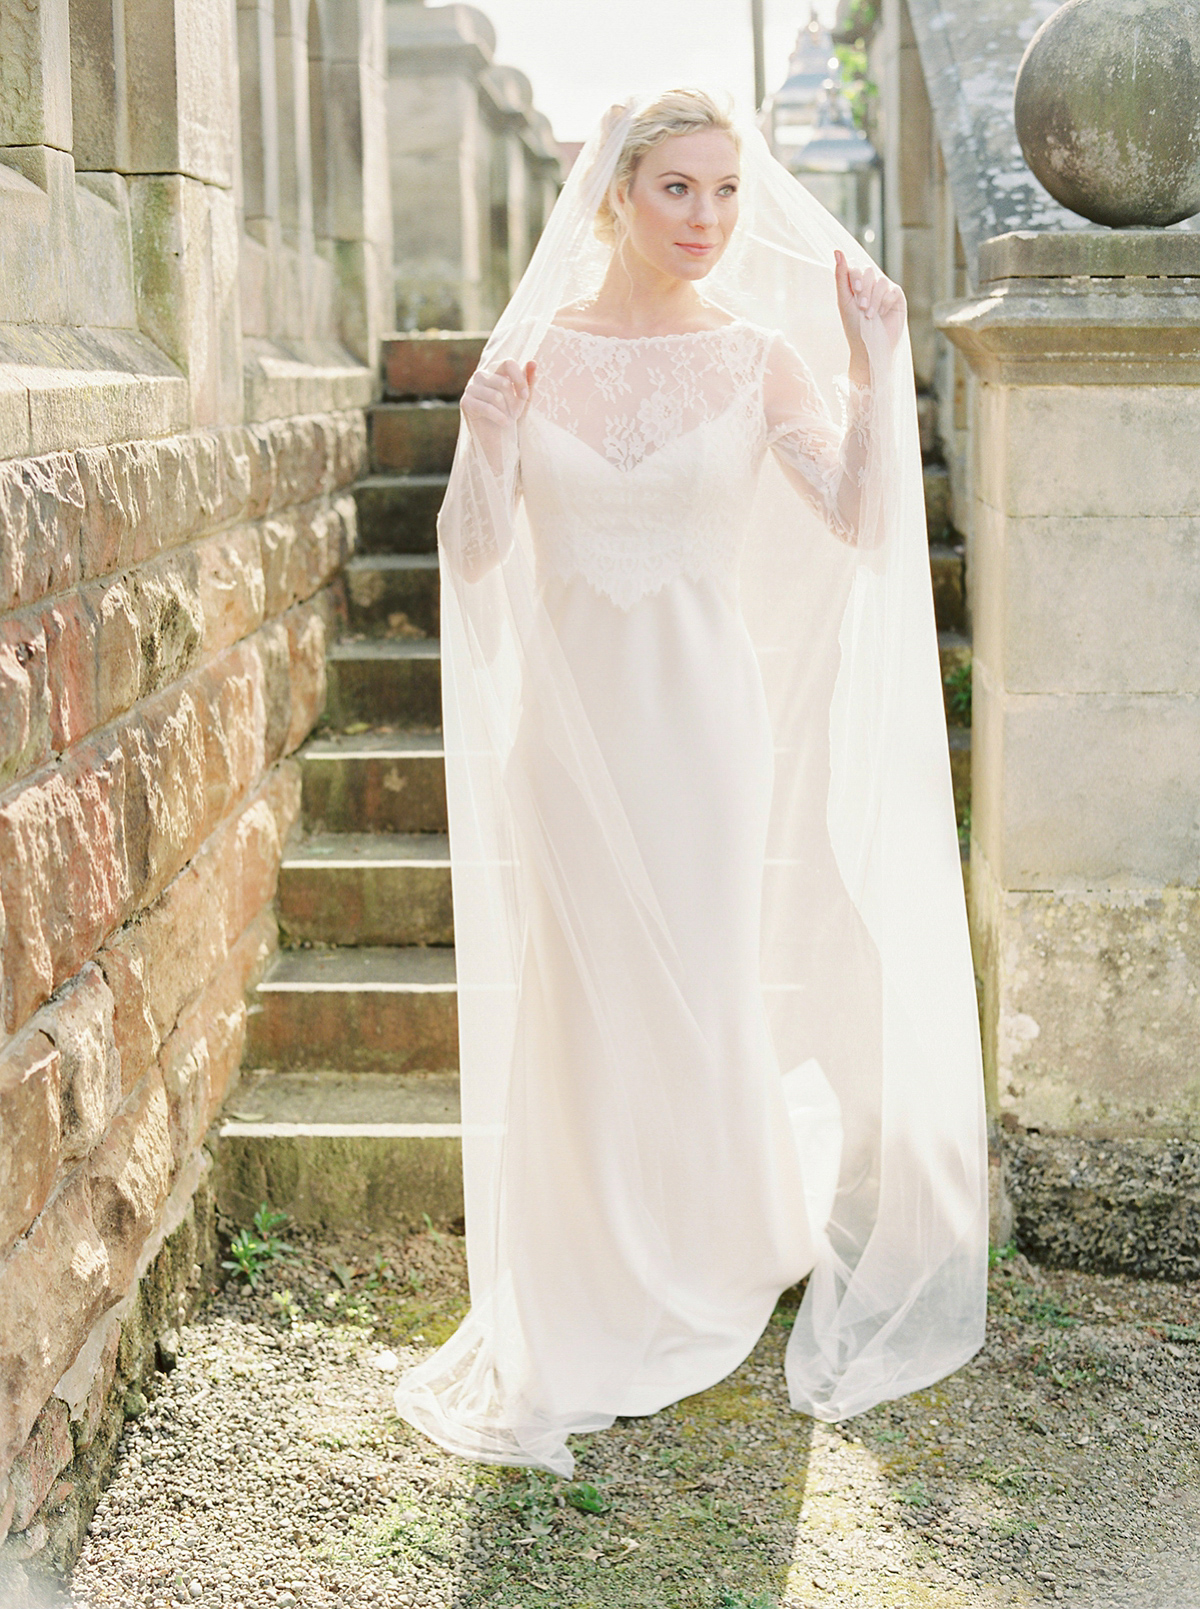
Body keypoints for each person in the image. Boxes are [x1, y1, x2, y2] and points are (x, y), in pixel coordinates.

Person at [393, 89, 988, 1477]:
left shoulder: (756, 353)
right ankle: (592, 1274)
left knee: (702, 978)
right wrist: (482, 437)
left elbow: (851, 517)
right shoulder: (532, 356)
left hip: (708, 737)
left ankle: (711, 1242)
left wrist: (872, 368)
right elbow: (476, 561)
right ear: (615, 193)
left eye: (725, 190)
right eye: (678, 189)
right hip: (572, 735)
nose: (709, 218)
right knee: (587, 993)